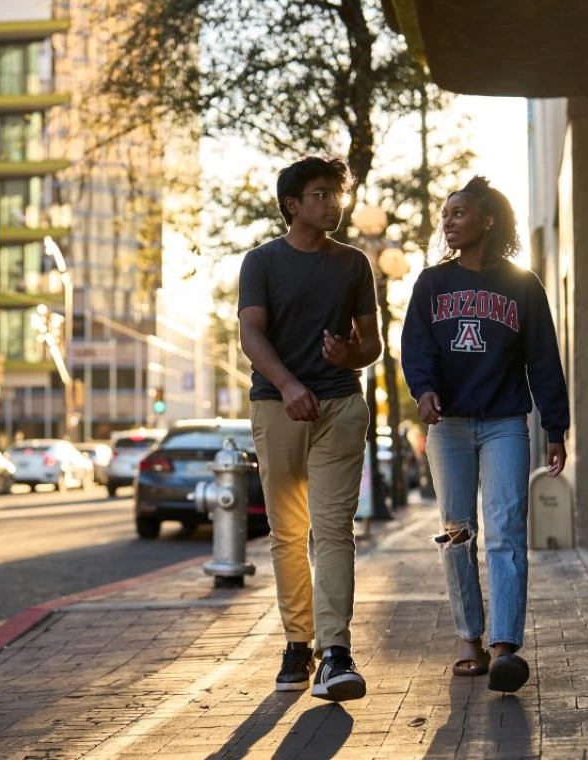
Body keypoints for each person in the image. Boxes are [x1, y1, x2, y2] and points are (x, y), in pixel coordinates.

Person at [401, 176, 569, 693]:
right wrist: (424, 390)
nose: (448, 222)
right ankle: (468, 638)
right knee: (456, 534)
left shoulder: (523, 285)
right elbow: (416, 347)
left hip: (504, 424)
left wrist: (555, 428)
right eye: (445, 214)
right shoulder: (431, 283)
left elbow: (543, 360)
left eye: (459, 213)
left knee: (505, 530)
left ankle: (503, 648)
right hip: (447, 427)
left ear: (487, 220)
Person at [238, 156, 382, 701]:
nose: (333, 204)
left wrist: (353, 353)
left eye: (336, 195)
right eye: (321, 194)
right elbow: (251, 335)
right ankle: (299, 643)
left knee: (333, 531)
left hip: (340, 409)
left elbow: (373, 346)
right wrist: (290, 384)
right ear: (292, 205)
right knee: (287, 535)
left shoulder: (353, 264)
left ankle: (336, 652)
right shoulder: (262, 263)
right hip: (278, 407)